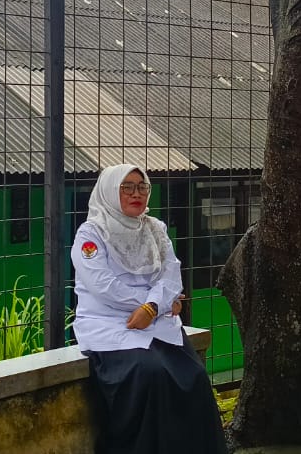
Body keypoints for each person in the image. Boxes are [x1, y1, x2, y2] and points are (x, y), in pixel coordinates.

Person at [72, 164, 227, 454]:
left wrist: (154, 306)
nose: (137, 194)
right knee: (149, 374)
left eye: (142, 187)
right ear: (110, 191)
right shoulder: (91, 234)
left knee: (193, 375)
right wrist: (152, 304)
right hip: (111, 324)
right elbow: (103, 285)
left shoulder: (155, 228)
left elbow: (171, 274)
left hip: (156, 319)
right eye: (127, 187)